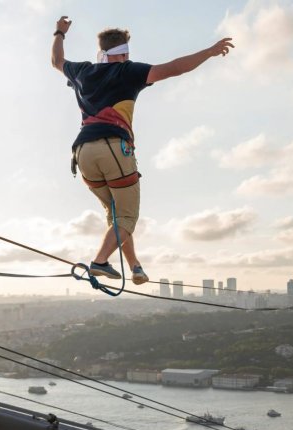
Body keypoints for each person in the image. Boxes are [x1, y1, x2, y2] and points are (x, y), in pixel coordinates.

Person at [51, 16, 234, 285]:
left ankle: (135, 266)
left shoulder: (83, 71)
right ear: (123, 52)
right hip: (112, 147)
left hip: (82, 153)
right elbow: (174, 68)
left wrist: (59, 32)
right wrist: (209, 51)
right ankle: (99, 262)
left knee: (116, 214)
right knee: (126, 216)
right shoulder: (127, 71)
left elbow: (56, 61)